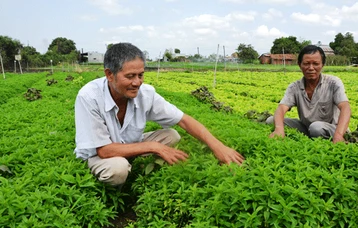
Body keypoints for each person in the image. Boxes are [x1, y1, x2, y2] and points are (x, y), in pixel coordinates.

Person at [74, 43, 244, 186]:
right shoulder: (89, 97)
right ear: (109, 74)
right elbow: (104, 150)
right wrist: (154, 147)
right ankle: (119, 180)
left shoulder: (145, 93)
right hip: (99, 154)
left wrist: (218, 146)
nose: (137, 82)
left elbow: (183, 120)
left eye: (141, 75)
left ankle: (135, 166)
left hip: (128, 144)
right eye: (130, 76)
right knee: (118, 169)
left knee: (171, 135)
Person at [266, 45, 351, 143]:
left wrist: (339, 135)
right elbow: (281, 108)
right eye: (306, 63)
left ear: (322, 65)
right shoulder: (294, 87)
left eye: (315, 64)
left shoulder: (333, 83)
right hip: (307, 127)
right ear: (299, 64)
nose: (311, 68)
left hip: (332, 129)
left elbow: (345, 107)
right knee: (271, 120)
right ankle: (308, 137)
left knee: (316, 128)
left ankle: (333, 137)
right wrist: (279, 129)